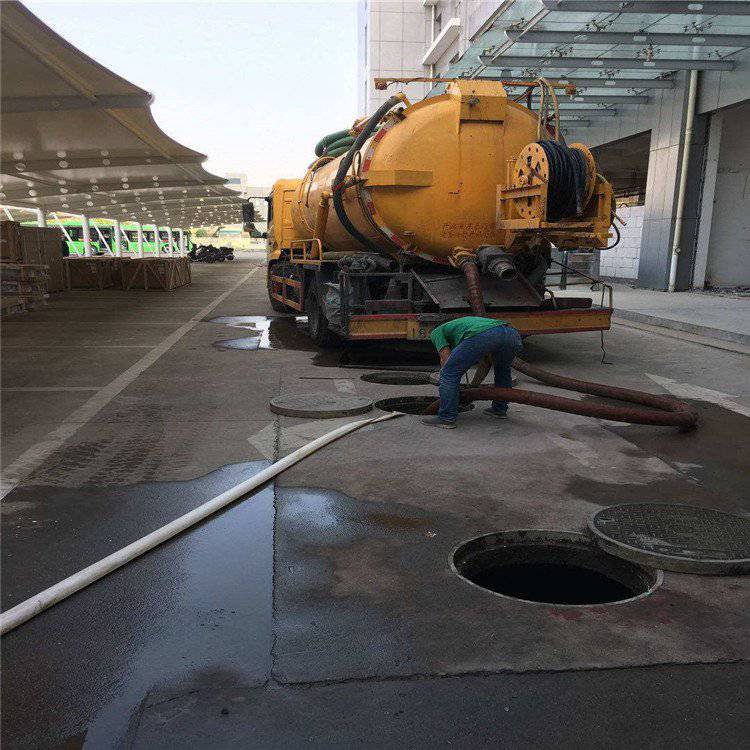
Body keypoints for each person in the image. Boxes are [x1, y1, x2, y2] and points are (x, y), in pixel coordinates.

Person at [422, 316, 522, 429]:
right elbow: (485, 364)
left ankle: (446, 418)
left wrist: (451, 386)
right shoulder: (467, 325)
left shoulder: (437, 330)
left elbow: (445, 359)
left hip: (486, 335)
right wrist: (473, 387)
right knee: (502, 371)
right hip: (512, 334)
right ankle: (500, 409)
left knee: (448, 373)